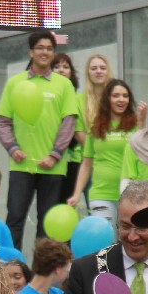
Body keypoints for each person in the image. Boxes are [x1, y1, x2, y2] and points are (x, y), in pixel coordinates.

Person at [0, 30, 80, 248]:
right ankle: (11, 264)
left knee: (46, 226)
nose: (45, 52)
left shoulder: (64, 84)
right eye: (40, 48)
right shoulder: (15, 82)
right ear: (30, 52)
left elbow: (69, 122)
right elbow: (3, 121)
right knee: (14, 219)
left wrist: (55, 155)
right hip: (21, 165)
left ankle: (41, 268)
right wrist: (12, 148)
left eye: (50, 49)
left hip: (53, 167)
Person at [67, 78, 139, 223]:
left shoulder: (136, 126)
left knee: (125, 236)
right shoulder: (96, 127)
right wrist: (76, 194)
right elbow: (86, 164)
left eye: (125, 96)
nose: (121, 100)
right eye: (116, 96)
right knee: (106, 235)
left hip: (130, 196)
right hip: (100, 194)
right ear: (107, 99)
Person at [51, 53, 83, 206]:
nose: (61, 70)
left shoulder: (77, 98)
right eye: (56, 67)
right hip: (50, 160)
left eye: (65, 67)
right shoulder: (47, 98)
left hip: (73, 159)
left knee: (66, 204)